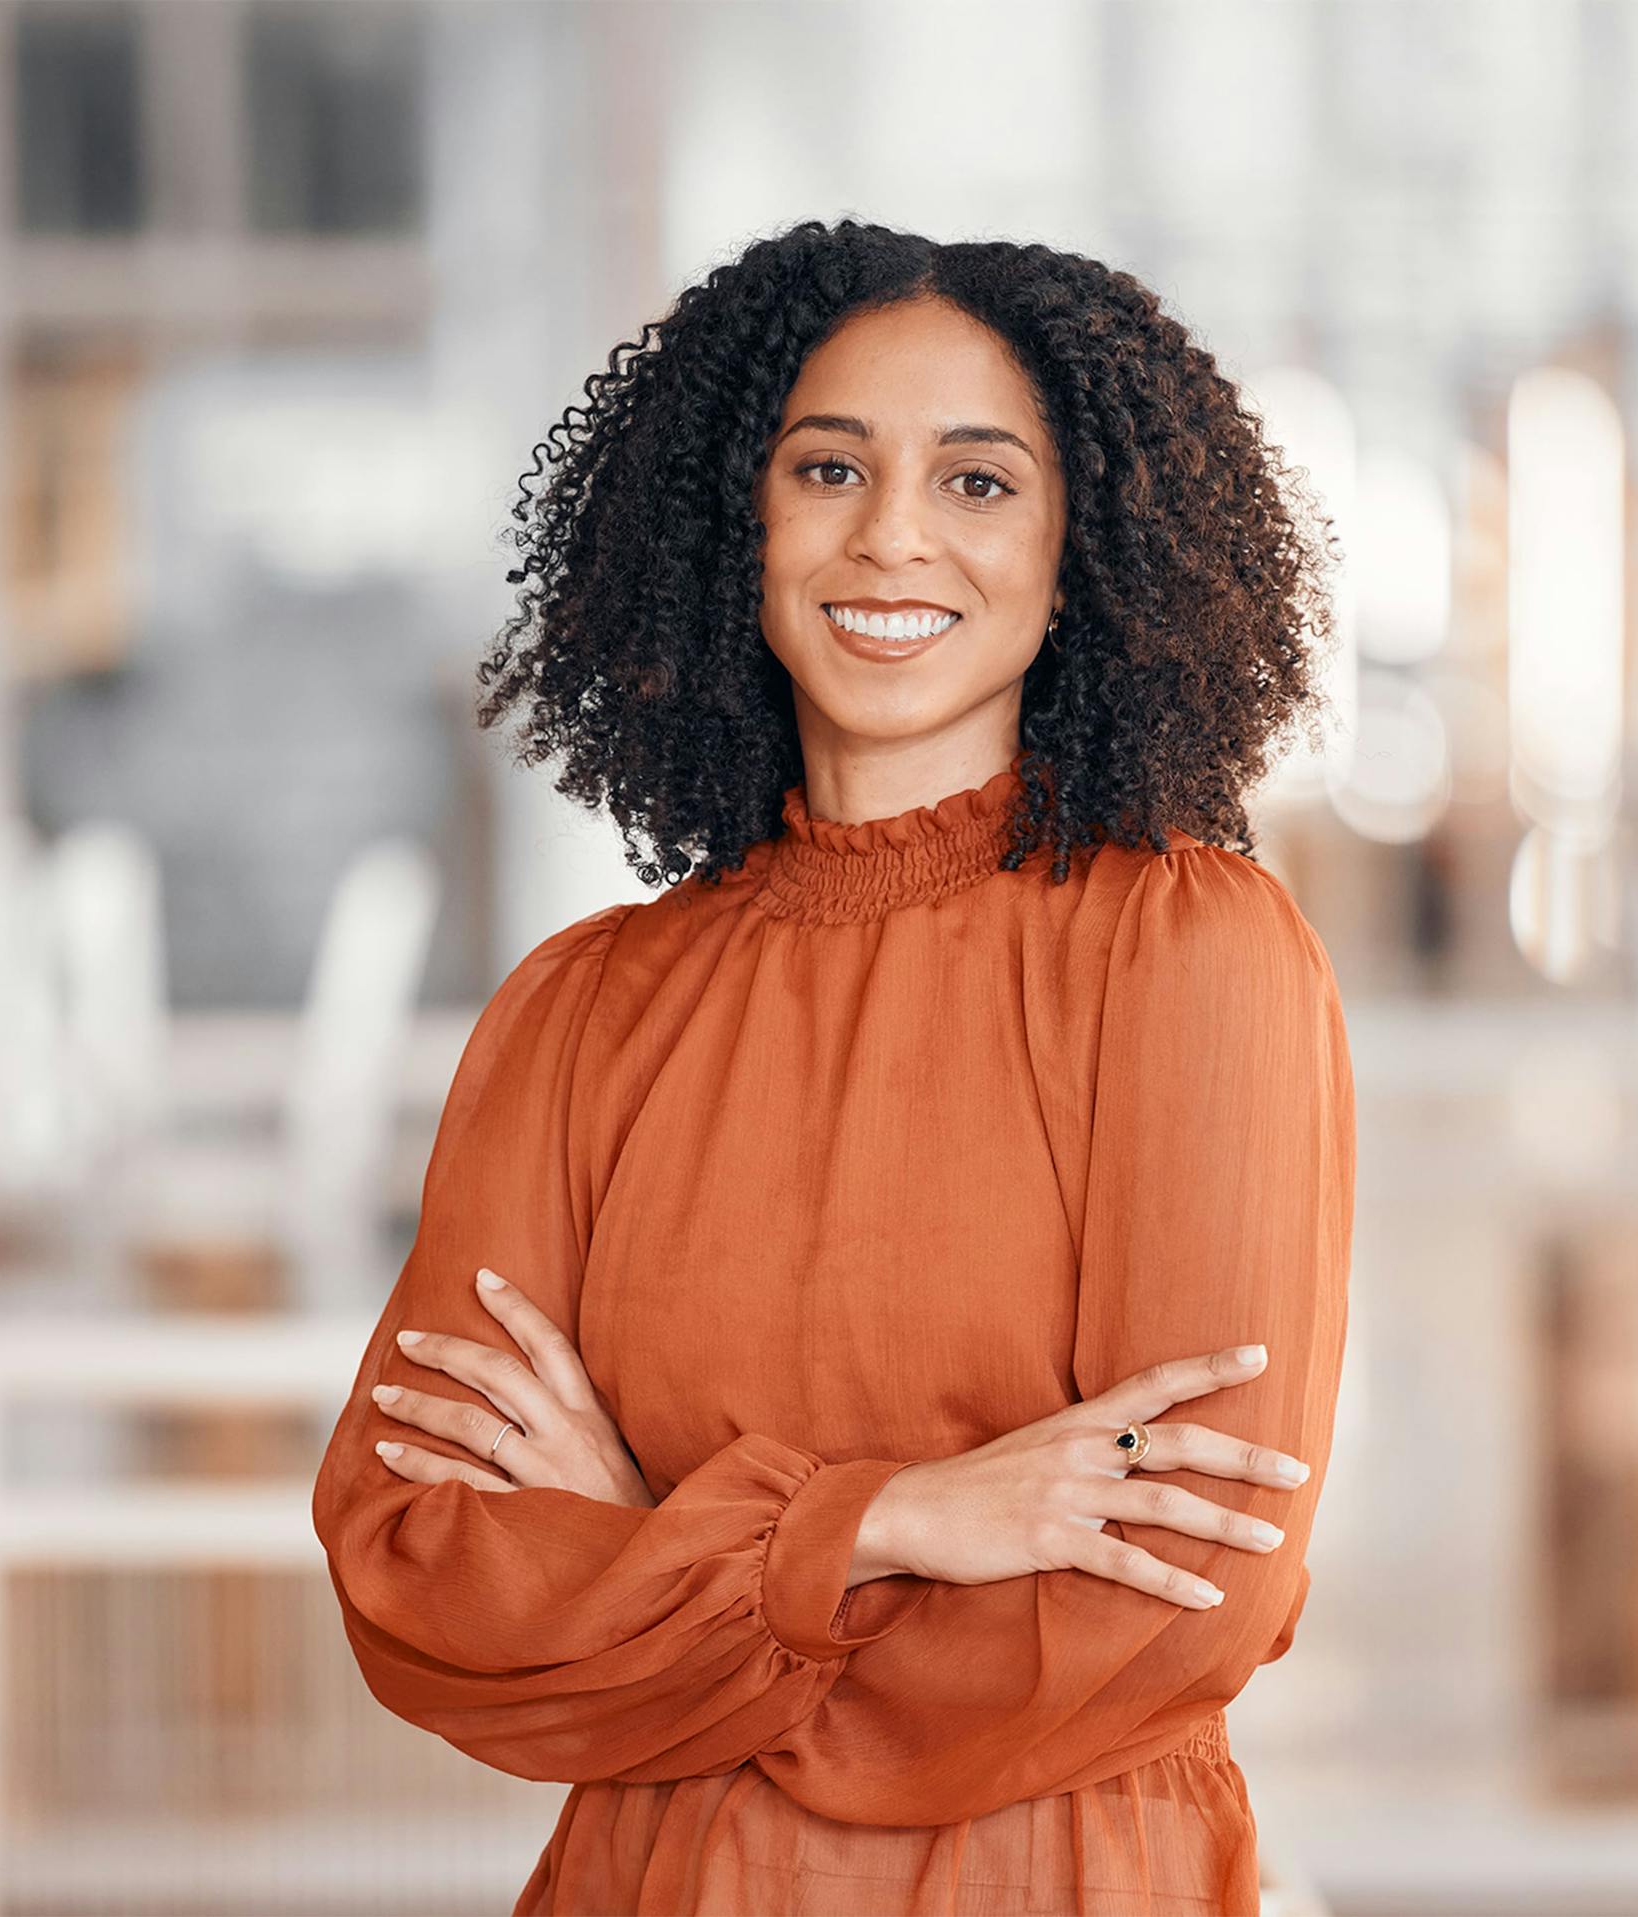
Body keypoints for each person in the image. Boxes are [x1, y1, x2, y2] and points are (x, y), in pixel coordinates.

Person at [311, 217, 1354, 1916]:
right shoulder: (583, 1012)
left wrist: (660, 1546)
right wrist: (890, 1523)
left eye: (979, 483)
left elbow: (1176, 1598)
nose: (890, 537)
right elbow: (425, 1575)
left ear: (1083, 547)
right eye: (827, 467)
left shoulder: (1190, 954)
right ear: (741, 520)